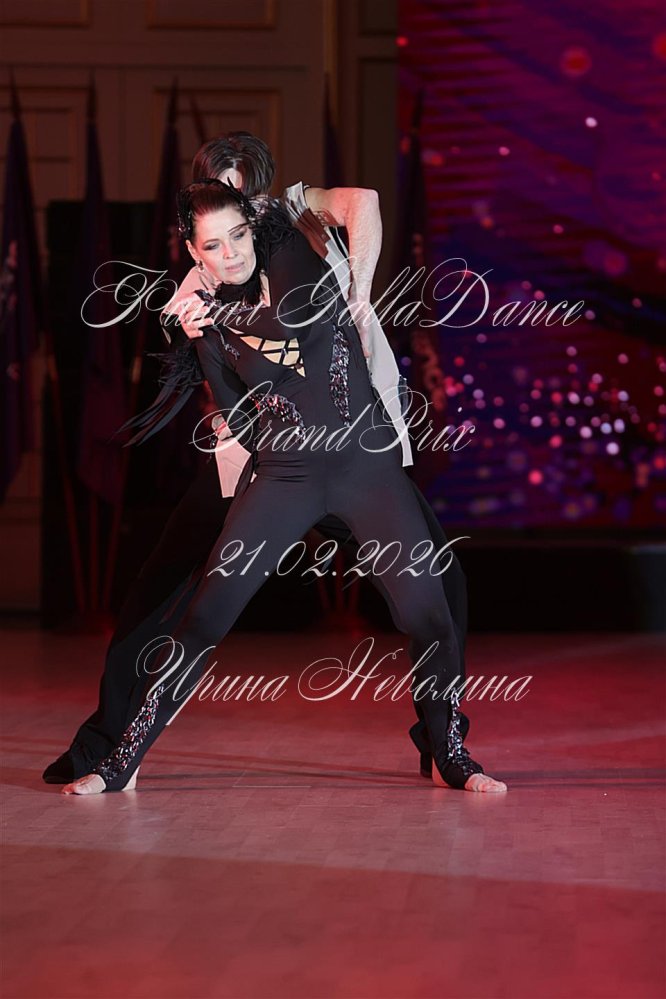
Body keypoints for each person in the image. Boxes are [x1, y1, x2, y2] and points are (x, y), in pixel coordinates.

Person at [43, 133, 468, 786]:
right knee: (169, 592)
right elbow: (215, 366)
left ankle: (441, 740)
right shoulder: (204, 274)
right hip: (261, 462)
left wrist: (358, 292)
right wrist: (200, 324)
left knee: (439, 588)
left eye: (242, 195)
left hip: (357, 449)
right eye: (218, 195)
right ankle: (107, 747)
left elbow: (361, 205)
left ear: (259, 192)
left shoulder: (290, 214)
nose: (233, 213)